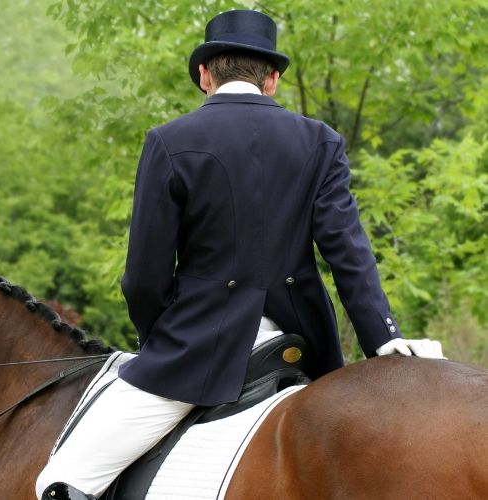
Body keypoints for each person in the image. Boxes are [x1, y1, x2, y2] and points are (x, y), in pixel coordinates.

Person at [36, 9, 443, 500]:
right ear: (271, 79)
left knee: (61, 480)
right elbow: (347, 252)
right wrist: (384, 337)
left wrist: (163, 341)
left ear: (205, 75)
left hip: (197, 347)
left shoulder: (169, 140)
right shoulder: (322, 142)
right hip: (303, 345)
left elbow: (143, 277)